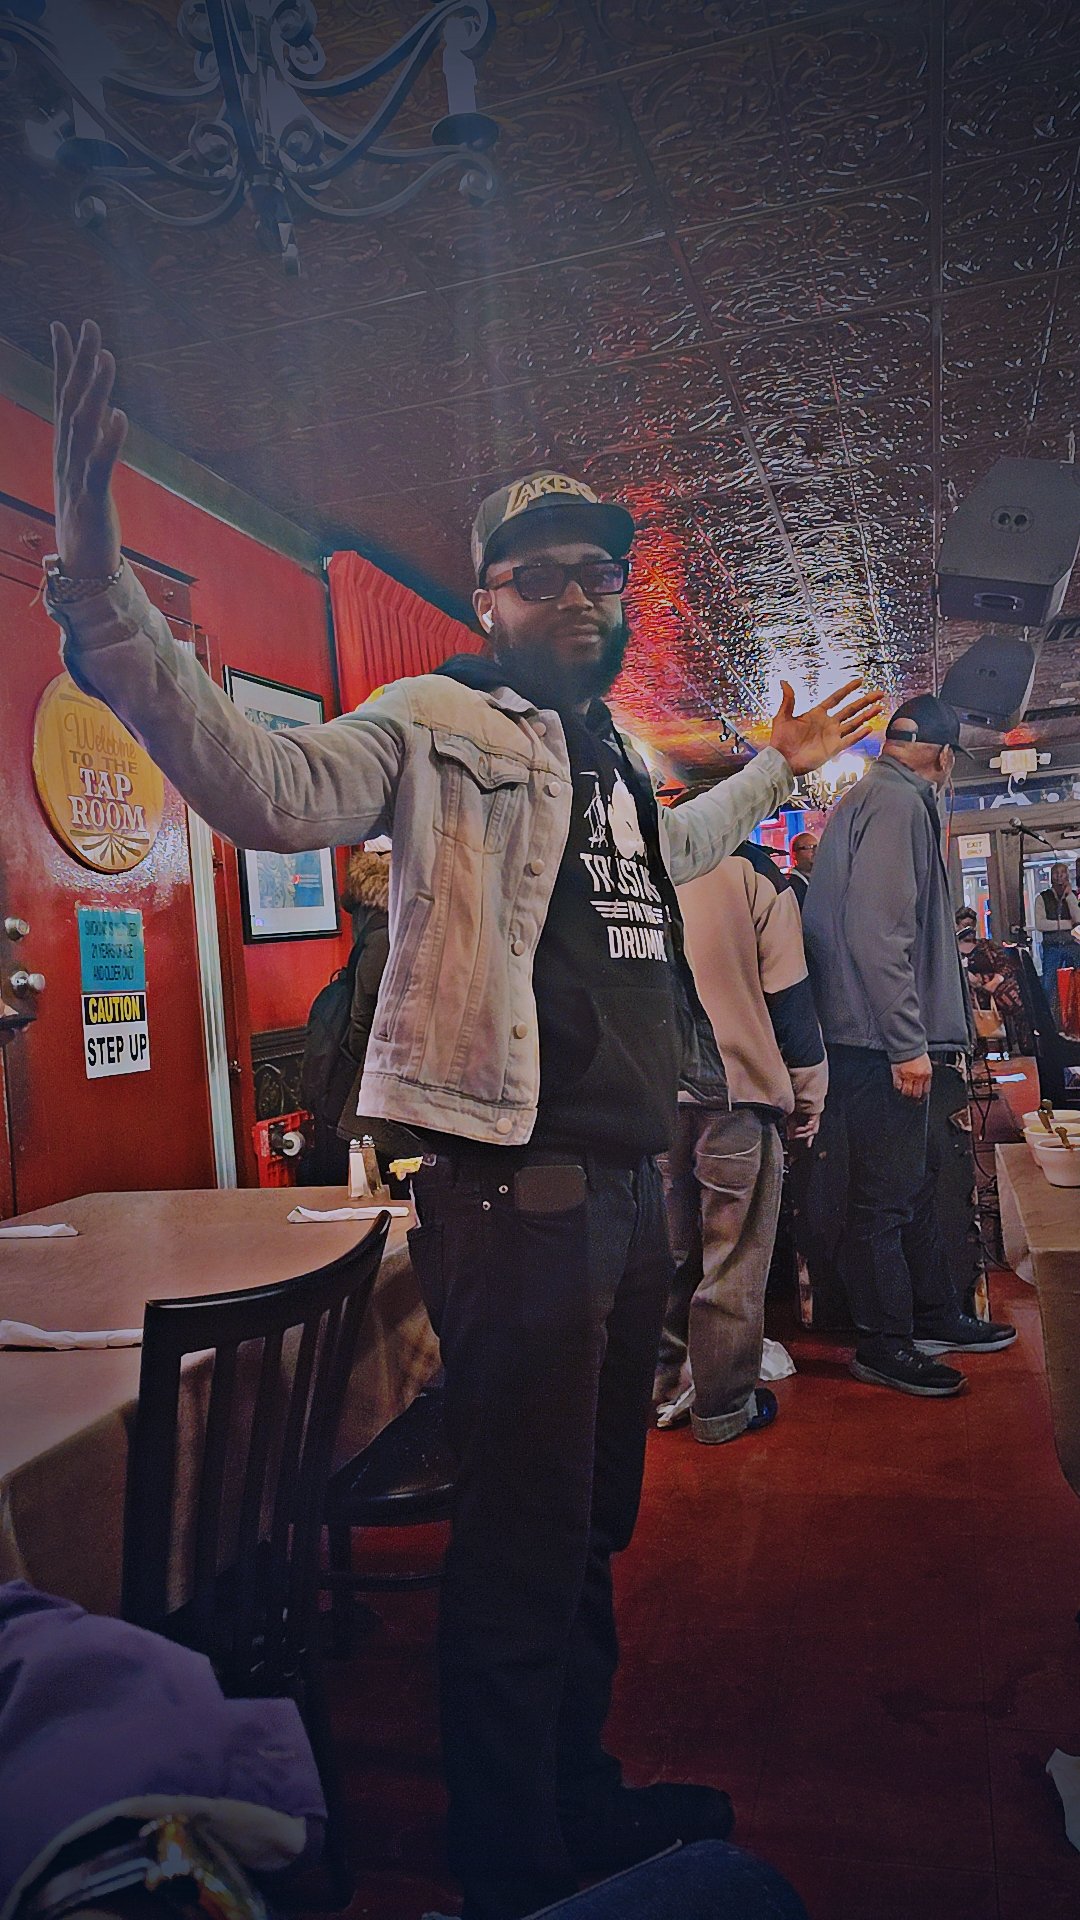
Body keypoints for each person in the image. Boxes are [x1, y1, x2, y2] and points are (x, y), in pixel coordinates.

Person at [46, 320, 881, 1920]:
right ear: (490, 598)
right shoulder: (437, 721)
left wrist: (776, 768)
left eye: (599, 575)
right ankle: (518, 1866)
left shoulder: (615, 764)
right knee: (519, 1549)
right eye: (545, 573)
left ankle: (574, 1796)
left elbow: (683, 849)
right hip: (521, 1195)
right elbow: (263, 788)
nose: (581, 595)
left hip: (628, 1196)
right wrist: (102, 588)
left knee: (582, 1532)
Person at [802, 695, 1016, 1399]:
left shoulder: (874, 794)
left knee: (914, 1189)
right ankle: (886, 1343)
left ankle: (931, 1315)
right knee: (886, 1200)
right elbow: (877, 932)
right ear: (944, 756)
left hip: (872, 1039)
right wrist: (905, 1043)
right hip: (879, 1045)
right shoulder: (897, 802)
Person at [654, 838, 827, 1440]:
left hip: (649, 1096)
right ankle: (721, 1408)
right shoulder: (753, 869)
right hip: (736, 1090)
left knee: (662, 1254)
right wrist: (808, 1095)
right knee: (733, 1259)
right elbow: (789, 994)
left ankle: (658, 1390)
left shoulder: (634, 856)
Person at [1034, 861, 1080, 1016]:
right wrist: (1067, 924)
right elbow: (1041, 924)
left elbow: (1078, 918)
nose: (1059, 877)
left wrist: (1069, 897)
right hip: (1052, 946)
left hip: (1072, 944)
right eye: (1056, 873)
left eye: (1063, 873)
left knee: (1077, 981)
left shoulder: (1073, 896)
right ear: (1050, 877)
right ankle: (1049, 1019)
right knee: (1049, 984)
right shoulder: (1042, 898)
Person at [786, 829, 818, 910]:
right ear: (794, 854)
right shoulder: (790, 885)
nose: (816, 851)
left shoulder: (822, 880)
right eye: (809, 847)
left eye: (817, 846)